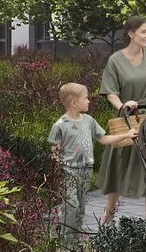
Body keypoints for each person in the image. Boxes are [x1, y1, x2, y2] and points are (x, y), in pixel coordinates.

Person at [96, 18, 146, 223]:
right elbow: (110, 91)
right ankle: (107, 220)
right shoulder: (115, 60)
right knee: (118, 173)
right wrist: (121, 105)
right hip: (127, 119)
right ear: (131, 34)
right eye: (144, 32)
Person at [49, 81, 131, 236]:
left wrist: (127, 135)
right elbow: (55, 151)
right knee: (70, 205)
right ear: (74, 103)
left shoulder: (89, 121)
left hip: (86, 171)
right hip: (68, 171)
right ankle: (66, 243)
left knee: (80, 208)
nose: (88, 101)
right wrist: (58, 173)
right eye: (85, 98)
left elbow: (104, 139)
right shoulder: (60, 125)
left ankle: (75, 240)